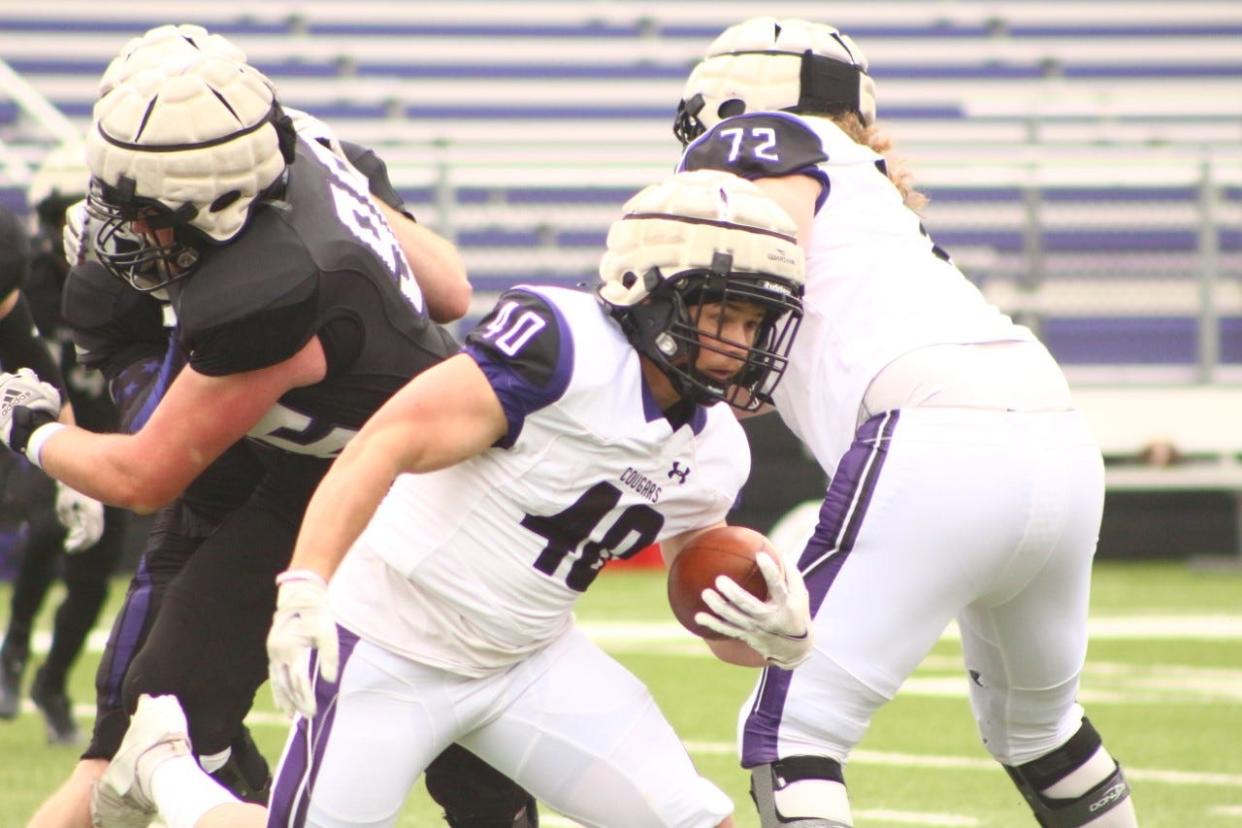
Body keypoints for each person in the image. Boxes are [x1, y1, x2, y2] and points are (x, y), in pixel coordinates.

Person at [87, 168, 812, 828]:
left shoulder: (717, 447)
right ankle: (164, 767)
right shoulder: (564, 350)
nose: (741, 344)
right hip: (386, 643)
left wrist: (770, 639)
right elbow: (385, 440)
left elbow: (704, 597)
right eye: (723, 316)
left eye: (754, 324)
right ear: (648, 290)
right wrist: (306, 583)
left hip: (528, 661)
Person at [2, 26, 535, 828]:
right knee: (162, 718)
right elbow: (452, 290)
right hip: (310, 476)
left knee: (459, 740)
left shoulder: (270, 300)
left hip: (427, 501)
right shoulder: (301, 150)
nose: (117, 227)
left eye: (142, 212)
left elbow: (144, 477)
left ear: (214, 204)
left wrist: (34, 431)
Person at [670, 17, 1139, 828]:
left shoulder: (762, 142)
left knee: (793, 733)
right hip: (1056, 435)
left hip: (935, 434)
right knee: (1041, 731)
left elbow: (753, 251)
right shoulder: (869, 191)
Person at [0, 146, 125, 747]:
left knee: (96, 569)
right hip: (42, 427)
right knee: (49, 523)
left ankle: (52, 684)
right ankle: (16, 643)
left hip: (112, 433)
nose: (72, 231)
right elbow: (30, 357)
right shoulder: (32, 283)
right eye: (60, 217)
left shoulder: (137, 276)